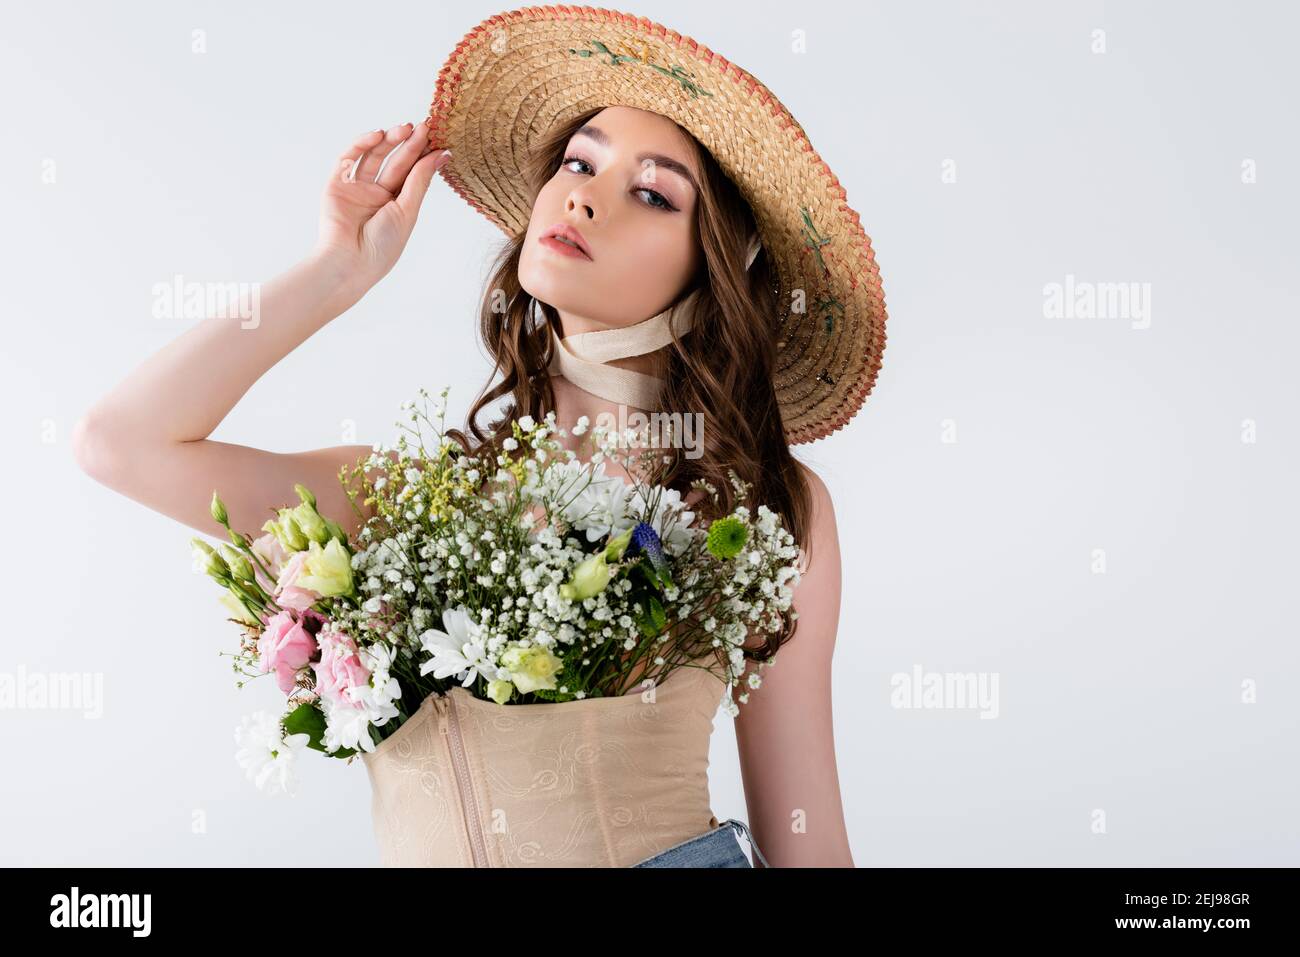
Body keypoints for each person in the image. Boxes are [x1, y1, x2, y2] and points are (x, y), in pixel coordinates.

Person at [74, 6, 886, 868]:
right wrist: (333, 273)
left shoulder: (762, 506)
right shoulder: (408, 502)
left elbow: (809, 842)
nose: (582, 194)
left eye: (651, 192)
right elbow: (119, 444)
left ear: (712, 268)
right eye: (579, 161)